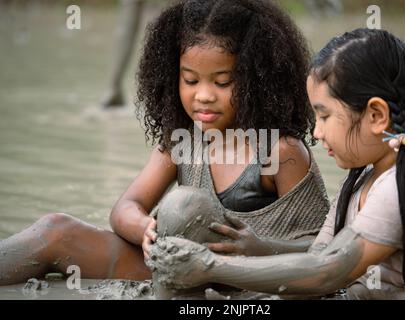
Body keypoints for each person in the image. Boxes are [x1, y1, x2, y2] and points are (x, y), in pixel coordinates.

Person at [0, 0, 330, 287]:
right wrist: (145, 228)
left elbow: (326, 249)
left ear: (259, 78)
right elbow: (124, 209)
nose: (203, 95)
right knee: (55, 230)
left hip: (241, 280)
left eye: (222, 82)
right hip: (172, 268)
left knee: (186, 204)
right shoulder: (182, 143)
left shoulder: (279, 152)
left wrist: (259, 248)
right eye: (190, 80)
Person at [148, 28, 405, 300]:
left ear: (376, 116)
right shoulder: (366, 175)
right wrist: (261, 248)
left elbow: (328, 270)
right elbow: (322, 251)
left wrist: (209, 266)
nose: (316, 133)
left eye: (325, 116)